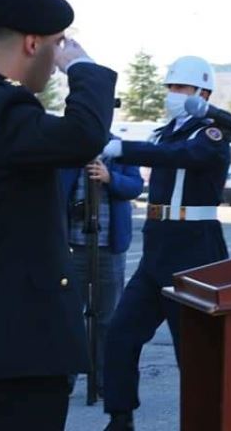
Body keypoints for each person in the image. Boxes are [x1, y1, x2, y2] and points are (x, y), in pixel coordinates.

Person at [0, 0, 117, 430]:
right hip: (17, 351)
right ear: (33, 43)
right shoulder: (3, 112)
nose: (57, 63)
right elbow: (83, 135)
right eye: (57, 46)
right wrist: (84, 68)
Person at [101, 55, 230, 431]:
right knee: (122, 332)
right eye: (171, 87)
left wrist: (125, 149)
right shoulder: (162, 132)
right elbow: (163, 149)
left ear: (203, 93)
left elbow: (182, 157)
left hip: (195, 248)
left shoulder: (210, 133)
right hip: (158, 246)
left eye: (182, 88)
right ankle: (120, 417)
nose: (173, 94)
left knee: (193, 349)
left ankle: (207, 420)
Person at [59, 141, 143, 392]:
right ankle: (65, 378)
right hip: (74, 246)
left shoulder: (119, 150)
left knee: (107, 317)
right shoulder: (71, 147)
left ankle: (103, 381)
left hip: (109, 247)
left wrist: (110, 177)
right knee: (70, 315)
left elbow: (135, 186)